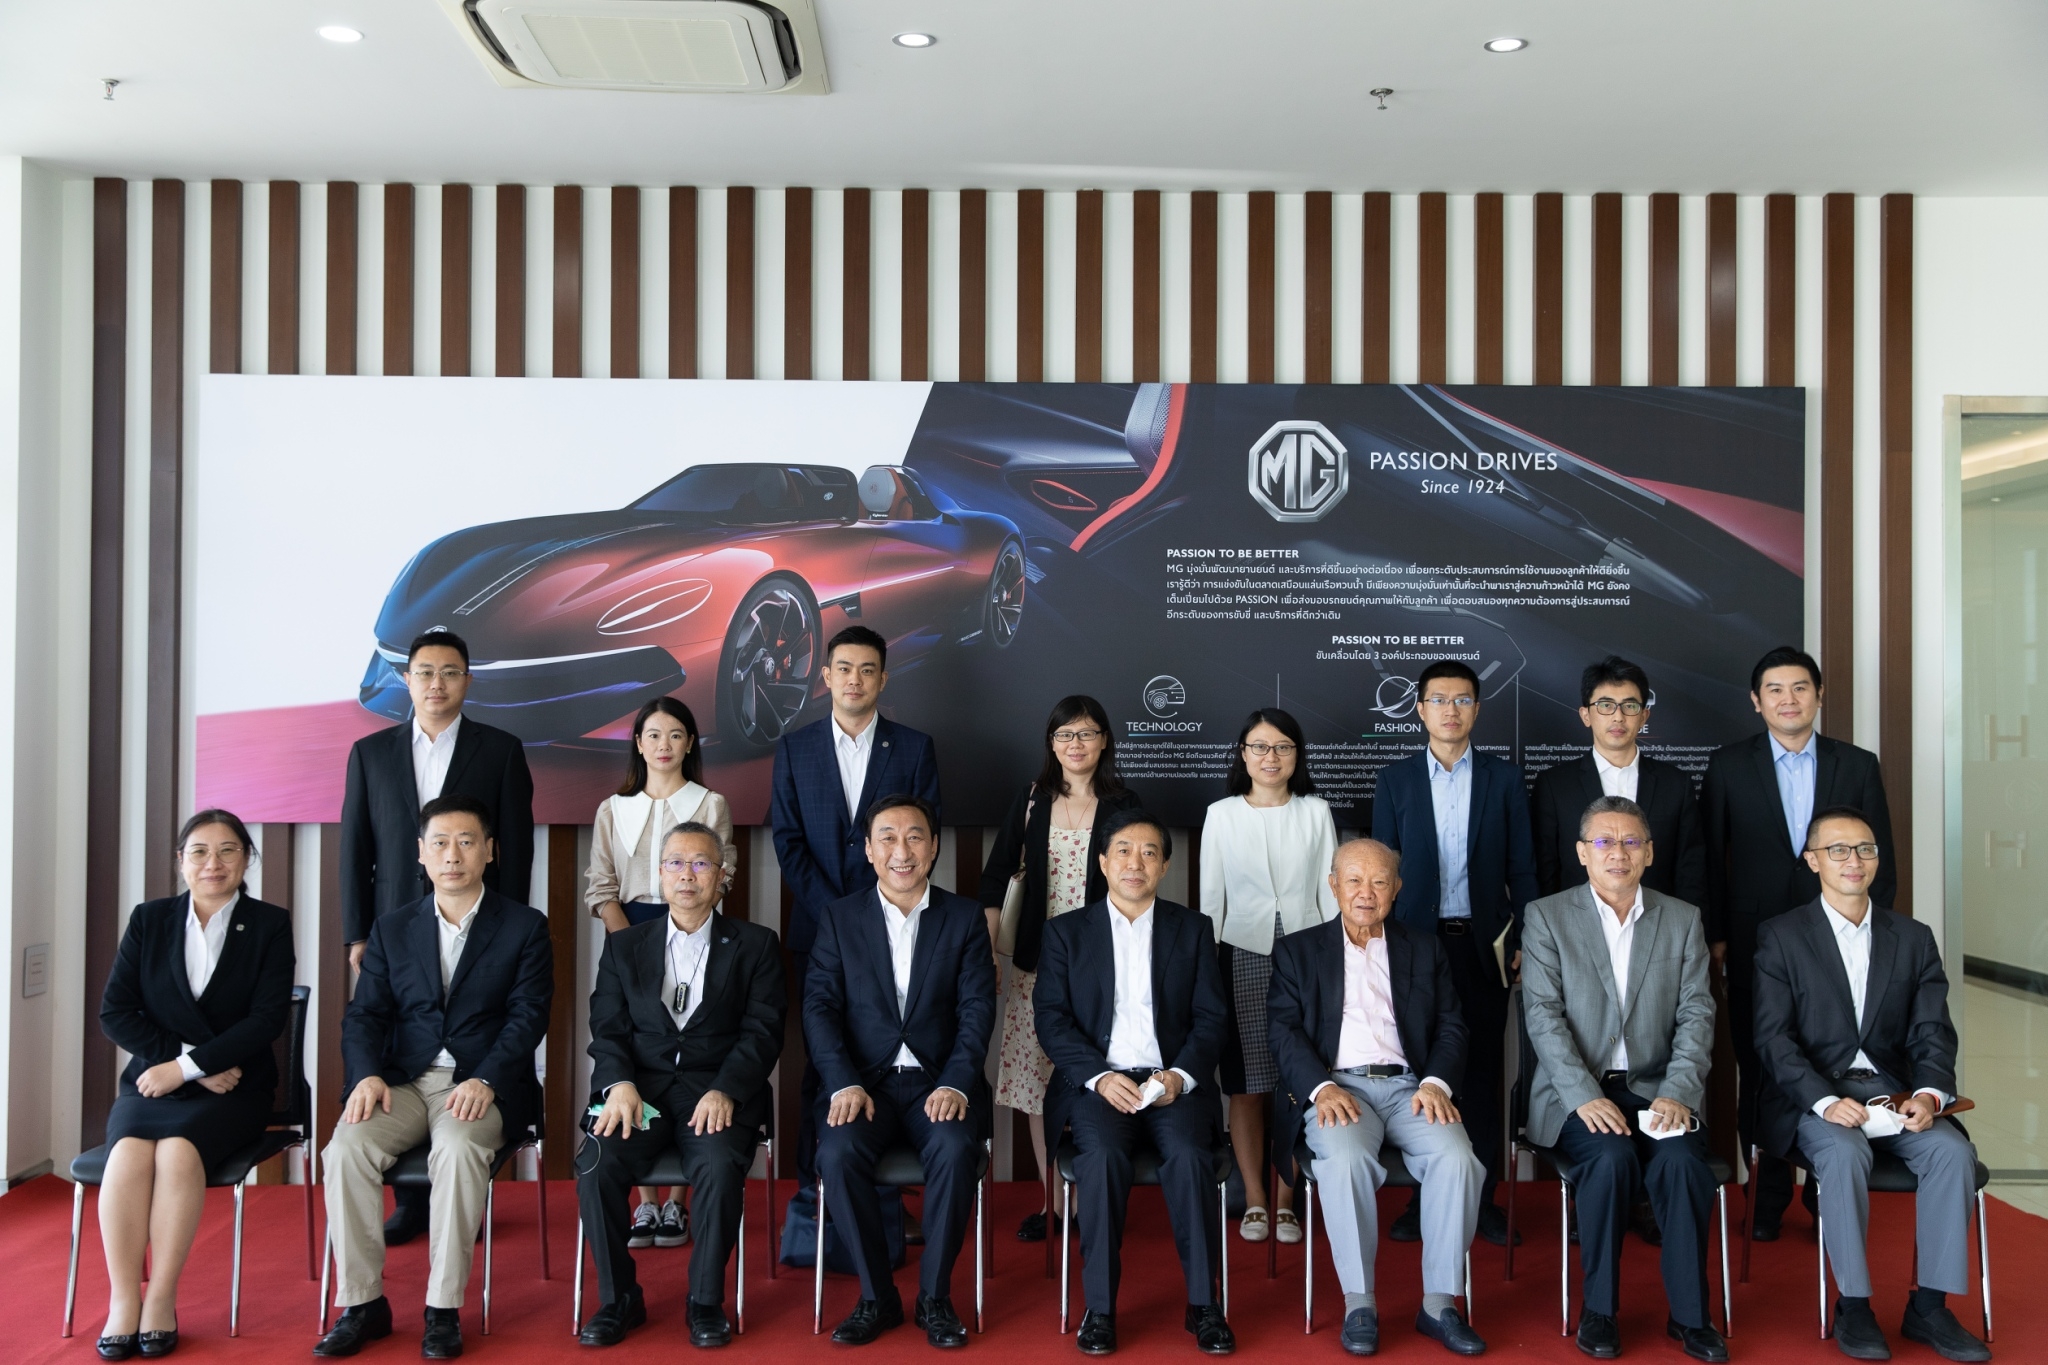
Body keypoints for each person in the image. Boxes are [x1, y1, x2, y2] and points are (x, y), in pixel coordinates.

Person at [315, 796, 553, 1361]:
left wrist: (487, 1079)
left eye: (466, 842)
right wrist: (366, 1076)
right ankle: (363, 1304)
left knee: (459, 1148)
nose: (453, 855)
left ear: (489, 851)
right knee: (345, 1148)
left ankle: (442, 1308)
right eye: (440, 843)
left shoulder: (524, 926)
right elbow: (364, 1016)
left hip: (479, 1085)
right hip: (402, 1082)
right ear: (421, 853)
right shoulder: (392, 928)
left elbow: (528, 1017)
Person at [1753, 808, 1991, 1363]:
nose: (1853, 860)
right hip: (1815, 1098)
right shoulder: (1781, 936)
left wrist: (1930, 1095)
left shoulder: (1912, 937)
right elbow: (1772, 1038)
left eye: (1865, 849)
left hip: (1894, 1095)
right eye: (1837, 850)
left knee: (1953, 1154)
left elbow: (1932, 1032)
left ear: (1878, 860)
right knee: (1843, 1153)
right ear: (1812, 861)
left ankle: (1928, 1307)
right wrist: (1825, 1100)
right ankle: (1854, 1306)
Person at [340, 627, 536, 1246]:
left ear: (467, 681)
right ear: (406, 680)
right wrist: (357, 933)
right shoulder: (370, 753)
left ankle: (460, 1193)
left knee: (470, 1040)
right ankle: (412, 1201)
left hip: (479, 924)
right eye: (425, 672)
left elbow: (515, 849)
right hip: (394, 928)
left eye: (450, 672)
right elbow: (356, 849)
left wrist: (508, 929)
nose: (436, 683)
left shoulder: (500, 750)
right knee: (404, 1048)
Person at [1519, 796, 1727, 1364]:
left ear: (1650, 853)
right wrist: (1584, 1096)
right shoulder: (1547, 916)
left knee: (1682, 1164)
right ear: (1582, 852)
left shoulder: (1681, 918)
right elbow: (1542, 1016)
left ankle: (1691, 1317)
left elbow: (1697, 1015)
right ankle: (1600, 1310)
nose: (1618, 852)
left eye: (1631, 841)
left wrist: (1678, 1092)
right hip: (1577, 1091)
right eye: (1604, 842)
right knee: (1610, 1159)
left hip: (1658, 1088)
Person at [1701, 645, 1896, 1241]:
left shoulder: (1856, 764)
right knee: (1761, 1064)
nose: (1789, 700)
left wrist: (1875, 937)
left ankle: (1824, 1187)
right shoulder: (1728, 765)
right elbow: (1709, 859)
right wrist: (1715, 936)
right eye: (1775, 690)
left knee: (1834, 1056)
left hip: (1839, 940)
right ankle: (1766, 1194)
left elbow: (1881, 858)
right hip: (1754, 942)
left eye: (1800, 688)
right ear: (1756, 701)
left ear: (1819, 695)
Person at [1267, 838, 1485, 1358]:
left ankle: (1440, 1304)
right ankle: (1359, 1303)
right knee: (1344, 1160)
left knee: (1458, 1159)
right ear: (1333, 885)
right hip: (1337, 1087)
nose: (1366, 893)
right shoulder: (1299, 951)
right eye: (1355, 880)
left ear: (1397, 888)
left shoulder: (1424, 948)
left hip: (1413, 1088)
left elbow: (1452, 1025)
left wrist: (1436, 1083)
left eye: (1380, 881)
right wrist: (1321, 1088)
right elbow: (1283, 1030)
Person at [576, 821, 787, 1349]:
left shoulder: (756, 945)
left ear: (722, 876)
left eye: (700, 863)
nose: (686, 874)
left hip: (715, 1092)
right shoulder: (625, 946)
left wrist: (727, 1089)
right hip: (638, 1094)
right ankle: (619, 1298)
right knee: (596, 1163)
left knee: (717, 1165)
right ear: (659, 874)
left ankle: (705, 1301)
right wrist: (618, 1084)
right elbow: (606, 1028)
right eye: (675, 863)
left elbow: (763, 1032)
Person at [93, 811, 294, 1361]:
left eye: (228, 850)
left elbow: (266, 1020)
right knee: (127, 1154)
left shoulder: (270, 924)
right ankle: (122, 1301)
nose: (213, 863)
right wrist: (184, 1065)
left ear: (247, 859)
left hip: (238, 1087)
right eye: (200, 851)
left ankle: (160, 1298)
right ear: (180, 861)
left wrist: (190, 1068)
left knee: (179, 1152)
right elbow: (116, 1012)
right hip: (154, 1082)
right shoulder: (150, 919)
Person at [1035, 810, 1235, 1358]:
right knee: (1100, 1160)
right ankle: (1099, 1309)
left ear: (1165, 866)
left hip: (1172, 1084)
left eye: (1149, 852)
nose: (1135, 862)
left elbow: (1211, 1018)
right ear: (1102, 862)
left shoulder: (1192, 929)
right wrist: (1100, 1078)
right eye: (1123, 850)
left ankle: (1204, 1305)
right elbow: (1051, 1020)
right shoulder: (1066, 933)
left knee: (1191, 1156)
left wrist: (1180, 1076)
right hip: (1100, 1086)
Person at [806, 794, 997, 1348]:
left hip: (938, 1082)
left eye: (915, 837)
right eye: (887, 838)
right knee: (837, 1154)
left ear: (933, 847)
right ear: (868, 850)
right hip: (862, 1084)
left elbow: (977, 1008)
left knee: (956, 1150)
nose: (902, 851)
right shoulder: (840, 918)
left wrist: (956, 1080)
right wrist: (842, 1081)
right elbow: (819, 1008)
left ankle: (934, 1297)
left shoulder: (963, 918)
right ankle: (876, 1296)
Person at [1370, 660, 1538, 1246]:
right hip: (1414, 947)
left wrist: (1525, 939)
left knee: (1484, 1072)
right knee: (1421, 1072)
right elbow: (1381, 870)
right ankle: (1423, 1198)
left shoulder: (1503, 779)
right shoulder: (1395, 780)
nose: (1451, 710)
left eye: (1462, 699)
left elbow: (1523, 869)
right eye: (1439, 700)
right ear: (1420, 709)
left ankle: (1483, 1200)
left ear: (1476, 709)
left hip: (1483, 946)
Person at [770, 624, 941, 1197]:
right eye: (843, 669)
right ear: (825, 676)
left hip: (896, 930)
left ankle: (887, 1204)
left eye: (867, 670)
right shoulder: (795, 748)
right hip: (818, 930)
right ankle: (812, 1194)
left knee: (886, 1060)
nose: (854, 680)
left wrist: (873, 914)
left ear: (883, 679)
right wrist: (840, 917)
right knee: (821, 1059)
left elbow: (924, 841)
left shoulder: (913, 748)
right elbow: (788, 842)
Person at [979, 695, 1142, 1242]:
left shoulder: (1124, 804)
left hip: (1103, 969)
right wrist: (989, 954)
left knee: (1099, 1077)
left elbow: (1139, 882)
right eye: (1065, 734)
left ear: (1104, 741)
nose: (1076, 744)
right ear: (1051, 743)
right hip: (1036, 964)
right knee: (1036, 1085)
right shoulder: (1032, 800)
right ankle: (1053, 1204)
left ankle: (1094, 1198)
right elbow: (996, 877)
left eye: (1087, 733)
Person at [586, 697, 738, 1251]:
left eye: (676, 734)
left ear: (690, 742)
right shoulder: (612, 808)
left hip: (694, 928)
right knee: (636, 1047)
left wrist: (685, 920)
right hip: (628, 934)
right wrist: (629, 943)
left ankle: (676, 1202)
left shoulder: (710, 803)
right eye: (653, 734)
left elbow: (722, 874)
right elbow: (601, 883)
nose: (664, 745)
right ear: (638, 743)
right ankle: (645, 1203)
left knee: (688, 1048)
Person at [1199, 707, 1339, 1245]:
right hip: (1242, 952)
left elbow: (1331, 891)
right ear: (1243, 754)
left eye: (1282, 746)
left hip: (1308, 954)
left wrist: (1336, 957)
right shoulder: (1221, 814)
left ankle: (1286, 1202)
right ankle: (1255, 1199)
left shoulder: (1316, 811)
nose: (1271, 757)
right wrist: (1206, 966)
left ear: (1296, 754)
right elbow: (1211, 899)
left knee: (1299, 1080)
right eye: (1259, 746)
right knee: (1248, 1083)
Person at [1532, 656, 1705, 907]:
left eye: (1629, 706)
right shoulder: (1555, 785)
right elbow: (1545, 870)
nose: (1618, 717)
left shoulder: (1676, 784)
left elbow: (1691, 871)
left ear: (1644, 716)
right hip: (1577, 922)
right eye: (1606, 705)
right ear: (1586, 715)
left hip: (1659, 921)